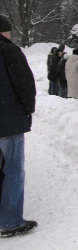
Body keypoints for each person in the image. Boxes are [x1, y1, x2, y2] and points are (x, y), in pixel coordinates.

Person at [0, 14, 37, 237]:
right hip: (8, 121)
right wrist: (27, 109)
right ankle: (10, 220)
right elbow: (24, 83)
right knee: (13, 170)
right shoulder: (9, 50)